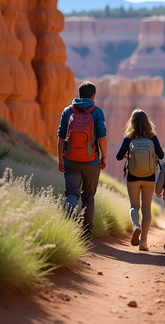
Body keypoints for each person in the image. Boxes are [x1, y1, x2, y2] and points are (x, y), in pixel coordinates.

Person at [57, 81, 107, 241]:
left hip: (70, 160)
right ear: (93, 96)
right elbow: (102, 137)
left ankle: (67, 227)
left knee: (71, 193)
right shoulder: (97, 112)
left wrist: (60, 159)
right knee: (88, 198)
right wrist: (103, 157)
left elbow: (61, 137)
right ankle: (86, 235)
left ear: (79, 94)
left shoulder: (67, 111)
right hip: (92, 161)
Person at [116, 109, 164, 251]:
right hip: (149, 177)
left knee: (134, 206)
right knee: (147, 209)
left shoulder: (128, 138)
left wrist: (128, 155)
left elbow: (118, 157)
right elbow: (161, 156)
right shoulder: (153, 137)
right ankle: (143, 241)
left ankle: (136, 225)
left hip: (133, 177)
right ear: (147, 122)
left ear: (132, 122)